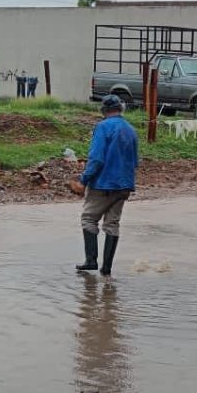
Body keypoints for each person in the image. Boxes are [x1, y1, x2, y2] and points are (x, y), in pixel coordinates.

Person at [75, 94, 138, 277]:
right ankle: (107, 268)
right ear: (121, 109)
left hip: (103, 184)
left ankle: (91, 261)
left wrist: (83, 180)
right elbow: (134, 162)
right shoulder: (130, 130)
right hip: (124, 185)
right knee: (112, 224)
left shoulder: (102, 127)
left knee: (88, 218)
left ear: (103, 110)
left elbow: (96, 159)